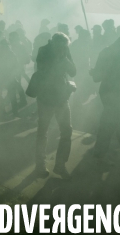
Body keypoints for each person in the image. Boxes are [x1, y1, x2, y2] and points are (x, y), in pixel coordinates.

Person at [90, 33, 120, 168]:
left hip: (107, 90)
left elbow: (97, 77)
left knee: (108, 124)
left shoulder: (106, 51)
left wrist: (94, 72)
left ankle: (99, 156)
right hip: (114, 93)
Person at [33, 33, 76, 178]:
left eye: (65, 46)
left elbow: (73, 71)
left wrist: (65, 59)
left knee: (66, 131)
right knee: (43, 131)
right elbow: (42, 70)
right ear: (53, 43)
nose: (62, 48)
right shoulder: (43, 50)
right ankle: (40, 165)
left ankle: (60, 165)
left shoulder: (65, 51)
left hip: (62, 97)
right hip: (46, 97)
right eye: (60, 46)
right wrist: (58, 60)